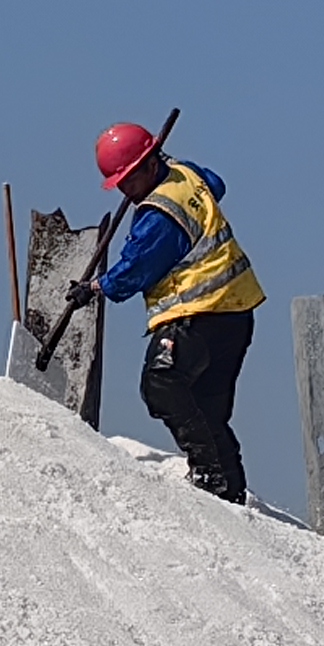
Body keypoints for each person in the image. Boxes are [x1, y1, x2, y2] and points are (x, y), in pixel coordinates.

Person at [82, 121, 264, 503]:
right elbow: (216, 184)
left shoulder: (158, 216)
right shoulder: (187, 173)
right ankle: (230, 489)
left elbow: (135, 270)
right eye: (121, 183)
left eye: (130, 180)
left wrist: (96, 287)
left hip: (198, 311)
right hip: (237, 310)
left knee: (161, 384)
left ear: (151, 163)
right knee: (208, 406)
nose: (127, 191)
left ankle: (209, 472)